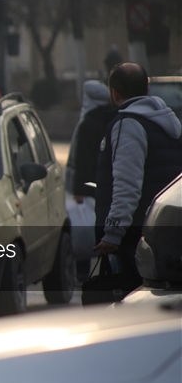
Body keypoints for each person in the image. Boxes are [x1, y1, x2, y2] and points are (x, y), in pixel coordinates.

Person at [94, 63, 182, 288]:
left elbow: (127, 186)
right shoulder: (169, 122)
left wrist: (112, 234)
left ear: (114, 93)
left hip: (134, 238)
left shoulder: (128, 124)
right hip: (166, 229)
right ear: (147, 89)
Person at [66, 80, 116, 277]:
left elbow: (83, 159)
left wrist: (79, 190)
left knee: (84, 228)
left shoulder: (87, 123)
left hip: (88, 188)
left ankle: (82, 272)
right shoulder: (110, 118)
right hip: (107, 185)